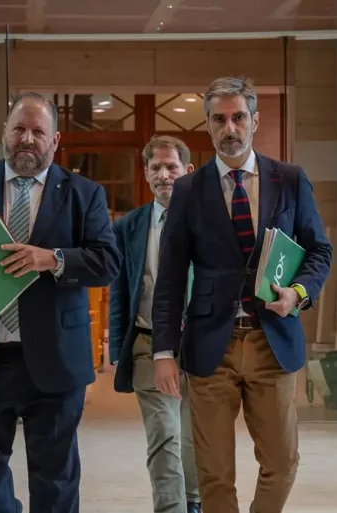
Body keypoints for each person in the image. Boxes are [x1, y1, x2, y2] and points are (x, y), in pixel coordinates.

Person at [0, 92, 121, 513]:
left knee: (55, 478)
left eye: (37, 132)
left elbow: (108, 262)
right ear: (5, 134)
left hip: (55, 360)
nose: (27, 139)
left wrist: (53, 259)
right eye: (19, 129)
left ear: (55, 139)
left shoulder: (84, 193)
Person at [151, 77, 332, 513]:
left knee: (282, 463)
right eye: (218, 119)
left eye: (237, 117)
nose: (229, 128)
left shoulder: (288, 179)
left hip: (274, 341)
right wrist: (162, 351)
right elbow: (172, 275)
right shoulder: (188, 191)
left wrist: (298, 293)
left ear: (254, 120)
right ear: (208, 125)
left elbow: (319, 250)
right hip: (212, 345)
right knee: (214, 473)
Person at [108, 135, 201, 513]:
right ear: (145, 173)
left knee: (195, 436)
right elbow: (121, 291)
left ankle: (193, 501)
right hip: (147, 344)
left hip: (200, 345)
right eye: (156, 168)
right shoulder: (128, 227)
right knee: (165, 434)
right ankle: (171, 509)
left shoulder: (208, 222)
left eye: (171, 167)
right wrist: (118, 347)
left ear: (187, 171)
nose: (164, 175)